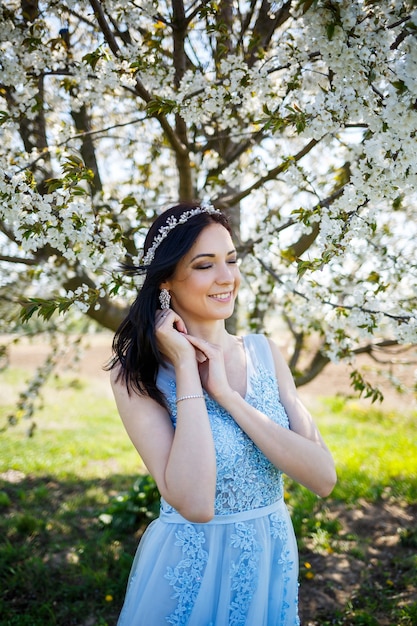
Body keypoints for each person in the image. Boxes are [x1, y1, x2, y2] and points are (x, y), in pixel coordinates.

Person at [108, 201, 337, 626]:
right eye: (204, 265)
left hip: (270, 559)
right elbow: (195, 503)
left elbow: (323, 478)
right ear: (166, 281)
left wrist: (228, 396)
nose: (226, 277)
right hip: (191, 572)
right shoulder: (137, 375)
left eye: (230, 260)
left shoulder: (266, 353)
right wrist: (185, 369)